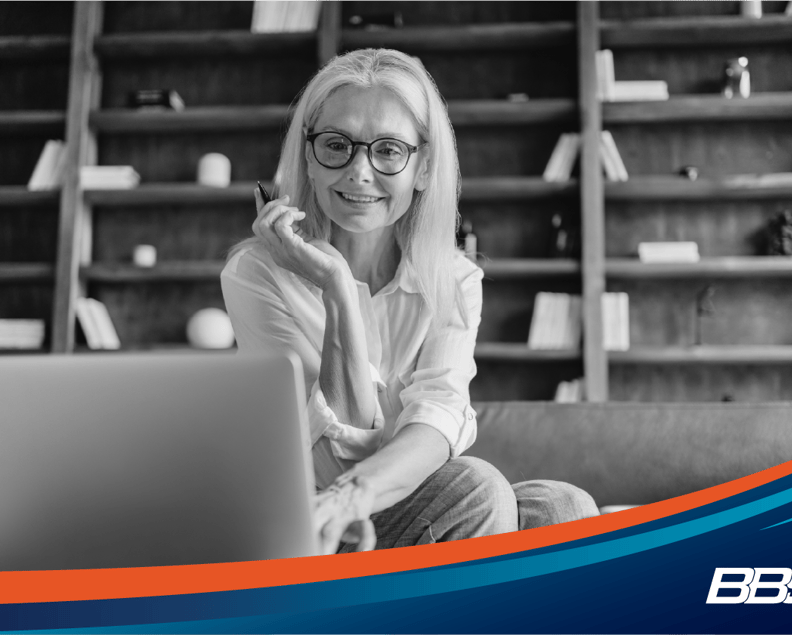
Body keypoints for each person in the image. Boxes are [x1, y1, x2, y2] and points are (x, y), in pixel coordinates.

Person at [221, 48, 597, 555]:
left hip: (398, 502)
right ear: (309, 158)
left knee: (561, 507)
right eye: (337, 145)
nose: (359, 172)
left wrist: (357, 494)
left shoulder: (454, 278)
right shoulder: (256, 274)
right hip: (315, 524)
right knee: (477, 489)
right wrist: (338, 292)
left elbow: (435, 423)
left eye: (389, 151)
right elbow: (334, 460)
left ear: (422, 168)